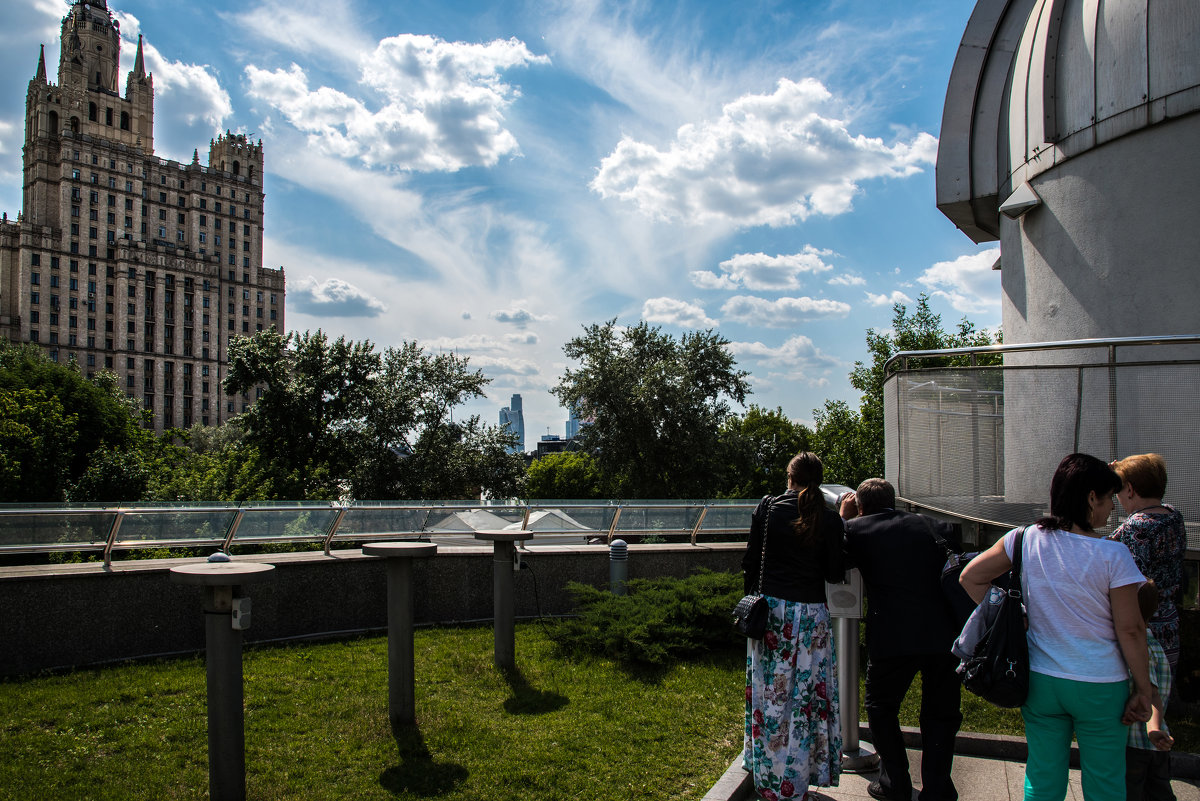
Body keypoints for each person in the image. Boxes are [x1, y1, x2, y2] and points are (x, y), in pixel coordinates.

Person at [960, 453, 1152, 801]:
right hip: (1100, 684)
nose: (1112, 508)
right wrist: (1143, 689)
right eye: (1109, 498)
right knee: (1105, 782)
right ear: (1091, 497)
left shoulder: (1025, 538)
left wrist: (1012, 618)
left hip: (1040, 678)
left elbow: (970, 577)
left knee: (1043, 777)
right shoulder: (1114, 555)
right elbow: (1132, 629)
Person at [842, 478, 964, 801]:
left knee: (881, 708)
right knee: (941, 715)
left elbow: (834, 562)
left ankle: (894, 782)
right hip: (944, 636)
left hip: (892, 637)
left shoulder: (857, 530)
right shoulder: (935, 526)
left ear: (862, 506)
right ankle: (937, 789)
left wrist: (844, 517)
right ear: (893, 501)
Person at [741, 452, 846, 801]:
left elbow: (750, 561)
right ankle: (800, 777)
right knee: (804, 702)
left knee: (770, 696)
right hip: (810, 618)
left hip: (772, 614)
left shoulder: (768, 508)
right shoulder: (829, 519)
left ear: (790, 476)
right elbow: (834, 572)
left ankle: (767, 774)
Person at [1110, 453, 1188, 680]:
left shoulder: (1136, 527)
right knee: (1163, 684)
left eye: (1118, 492)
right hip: (1169, 619)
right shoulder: (1174, 515)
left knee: (1142, 686)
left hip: (1143, 624)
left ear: (1131, 490)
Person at [1126, 580, 1176, 801]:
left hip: (1138, 743)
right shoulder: (1154, 643)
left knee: (1132, 794)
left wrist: (1153, 729)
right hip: (1155, 748)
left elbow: (1150, 693)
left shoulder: (1140, 649)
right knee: (1159, 792)